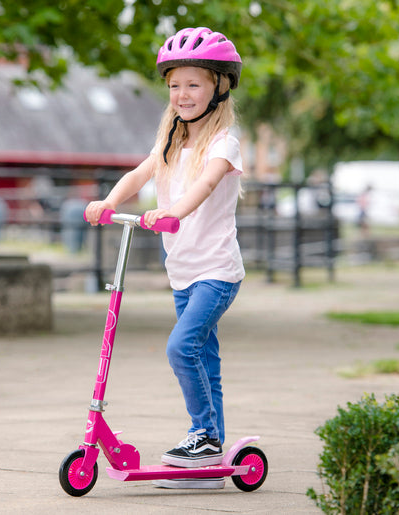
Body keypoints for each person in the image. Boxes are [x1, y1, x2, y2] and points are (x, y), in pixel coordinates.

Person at [85, 27, 244, 489]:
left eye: (193, 84)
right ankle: (210, 455)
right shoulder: (171, 143)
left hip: (217, 271)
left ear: (219, 86)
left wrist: (172, 212)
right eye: (175, 85)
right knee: (205, 360)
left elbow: (206, 185)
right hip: (183, 273)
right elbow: (139, 175)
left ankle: (204, 437)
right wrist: (109, 202)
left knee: (181, 347)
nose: (182, 94)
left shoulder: (223, 144)